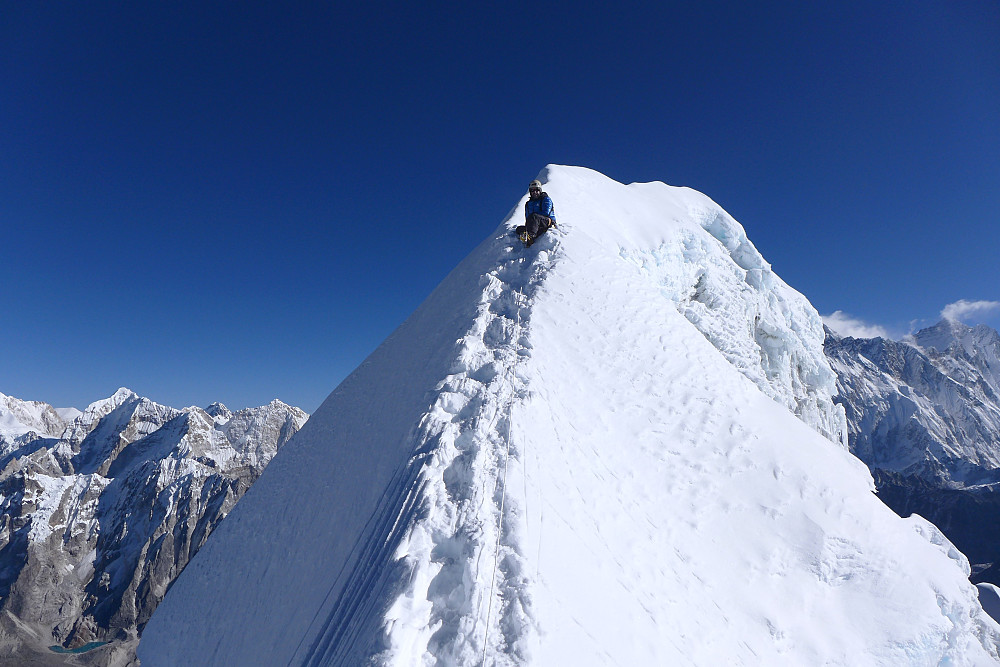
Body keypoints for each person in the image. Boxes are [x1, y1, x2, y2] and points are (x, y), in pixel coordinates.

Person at [517, 179, 556, 246]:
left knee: (534, 216)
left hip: (547, 221)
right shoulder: (528, 204)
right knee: (519, 229)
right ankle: (526, 235)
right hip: (535, 224)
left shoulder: (545, 199)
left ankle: (530, 237)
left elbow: (546, 213)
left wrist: (534, 217)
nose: (535, 192)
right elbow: (527, 217)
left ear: (540, 190)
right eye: (532, 190)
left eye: (537, 190)